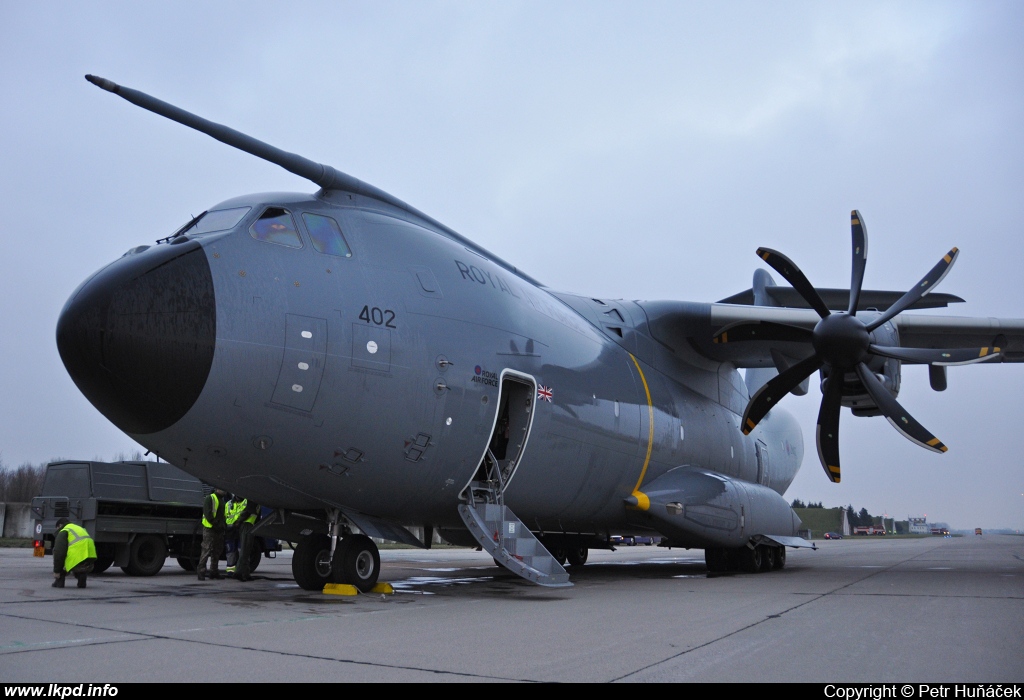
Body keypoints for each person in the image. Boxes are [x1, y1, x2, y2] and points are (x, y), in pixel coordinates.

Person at [52, 517, 97, 589]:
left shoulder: (64, 531)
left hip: (76, 559)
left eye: (57, 528)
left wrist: (57, 571)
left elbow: (59, 553)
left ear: (60, 526)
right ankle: (82, 578)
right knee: (78, 558)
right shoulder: (79, 528)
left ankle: (59, 581)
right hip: (90, 560)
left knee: (58, 554)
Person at [197, 487, 228, 581]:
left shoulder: (221, 500)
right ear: (217, 489)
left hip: (218, 529)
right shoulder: (210, 498)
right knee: (207, 549)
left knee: (217, 550)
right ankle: (201, 571)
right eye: (223, 489)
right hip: (210, 528)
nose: (225, 491)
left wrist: (223, 526)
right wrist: (216, 524)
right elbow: (208, 513)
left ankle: (214, 572)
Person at [231, 498, 261, 582]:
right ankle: (238, 573)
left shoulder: (255, 500)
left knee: (247, 550)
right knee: (245, 549)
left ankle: (246, 573)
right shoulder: (253, 499)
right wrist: (239, 521)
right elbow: (247, 512)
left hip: (250, 525)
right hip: (247, 525)